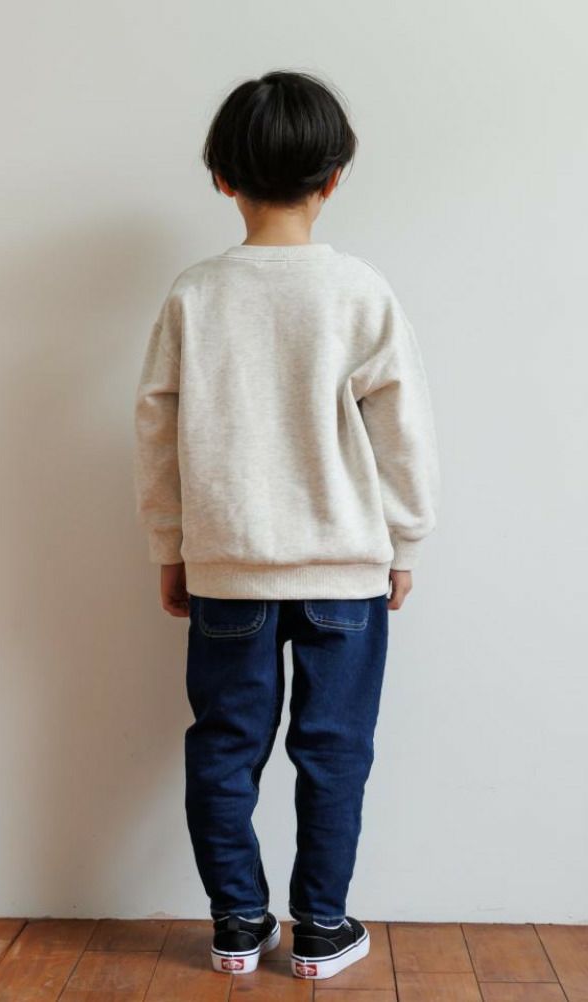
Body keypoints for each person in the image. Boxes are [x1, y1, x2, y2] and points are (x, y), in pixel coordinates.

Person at [132, 69, 442, 981]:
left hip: (228, 567)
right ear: (334, 177)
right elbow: (404, 429)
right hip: (345, 569)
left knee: (224, 750)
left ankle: (237, 925)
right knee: (334, 753)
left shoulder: (195, 295)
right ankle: (320, 929)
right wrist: (406, 540)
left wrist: (169, 546)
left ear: (221, 177)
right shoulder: (358, 291)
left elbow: (155, 429)